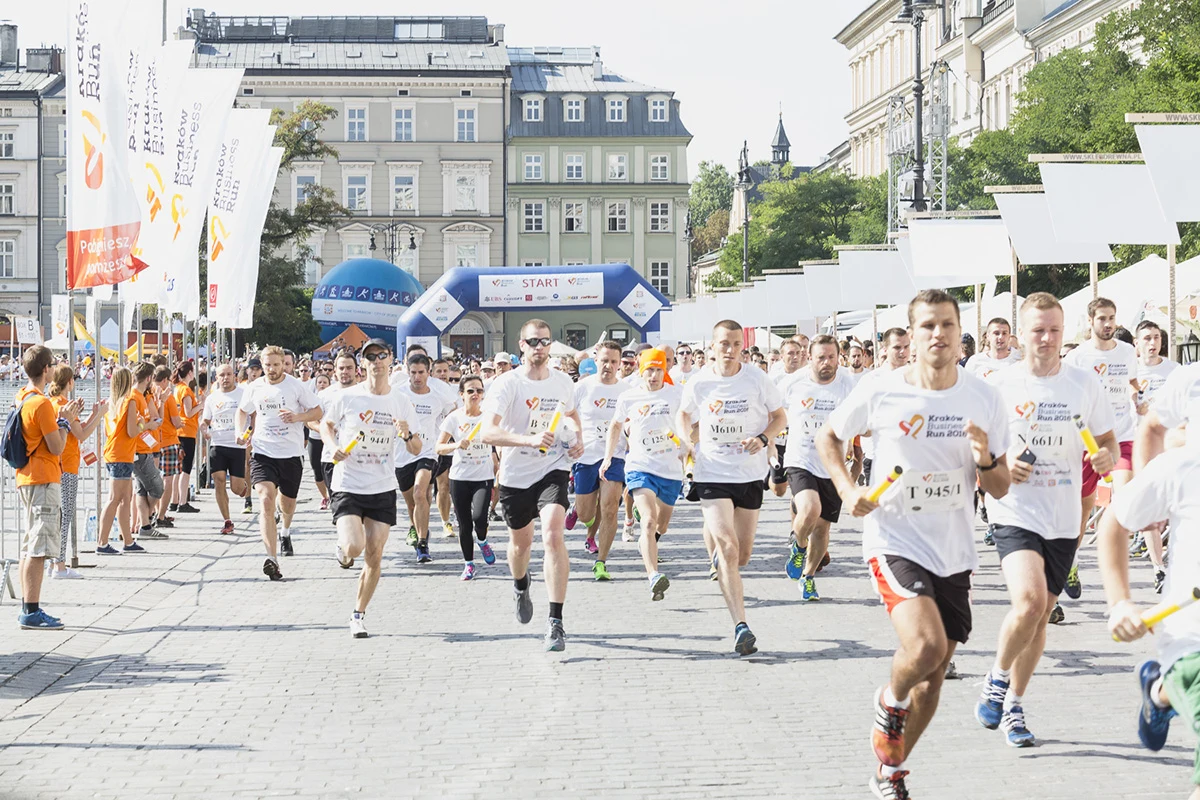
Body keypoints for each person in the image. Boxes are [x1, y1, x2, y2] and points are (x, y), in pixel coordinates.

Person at [818, 289, 1010, 799]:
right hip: (894, 538)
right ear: (912, 334)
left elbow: (1000, 487)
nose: (938, 334)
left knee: (936, 673)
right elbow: (828, 438)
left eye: (947, 324)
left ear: (960, 332)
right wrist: (847, 490)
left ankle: (891, 769)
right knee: (925, 647)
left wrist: (985, 458)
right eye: (928, 325)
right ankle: (891, 697)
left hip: (954, 548)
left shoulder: (984, 396)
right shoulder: (882, 389)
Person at [975, 292, 1117, 748]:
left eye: (1055, 330)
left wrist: (1107, 456)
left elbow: (1108, 439)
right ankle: (996, 680)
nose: (1047, 338)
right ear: (1022, 334)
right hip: (1014, 508)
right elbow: (976, 449)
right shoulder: (999, 385)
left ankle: (1014, 705)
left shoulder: (1083, 383)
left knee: (1038, 619)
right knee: (1031, 602)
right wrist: (1001, 464)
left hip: (1064, 514)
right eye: (1038, 330)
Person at [678, 319, 787, 656]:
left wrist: (763, 439)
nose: (730, 350)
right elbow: (683, 415)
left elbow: (780, 417)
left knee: (743, 554)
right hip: (711, 472)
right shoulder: (699, 382)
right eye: (724, 343)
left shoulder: (757, 378)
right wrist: (686, 441)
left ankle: (722, 558)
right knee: (728, 547)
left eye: (736, 344)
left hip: (749, 474)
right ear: (712, 346)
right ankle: (741, 625)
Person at [1098, 442, 1200, 798]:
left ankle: (1160, 692)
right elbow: (1114, 521)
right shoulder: (1183, 465)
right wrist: (1120, 604)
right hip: (1193, 642)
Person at [481, 319, 585, 652]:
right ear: (521, 345)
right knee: (520, 547)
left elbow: (572, 416)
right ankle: (520, 584)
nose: (540, 347)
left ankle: (555, 621)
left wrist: (578, 439)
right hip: (516, 475)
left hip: (553, 467)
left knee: (553, 534)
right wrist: (528, 440)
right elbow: (487, 432)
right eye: (533, 342)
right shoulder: (507, 384)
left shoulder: (563, 382)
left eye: (545, 341)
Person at [322, 339, 419, 638]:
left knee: (374, 555)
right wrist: (333, 446)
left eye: (381, 356)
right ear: (363, 364)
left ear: (391, 360)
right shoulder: (348, 396)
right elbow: (326, 424)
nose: (376, 361)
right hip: (349, 484)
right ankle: (343, 548)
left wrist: (407, 434)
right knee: (354, 546)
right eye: (370, 357)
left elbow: (416, 448)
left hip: (382, 486)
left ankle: (358, 614)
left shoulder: (401, 401)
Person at [1063, 297, 1141, 603]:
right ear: (1090, 321)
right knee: (1083, 511)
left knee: (1123, 497)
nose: (1108, 324)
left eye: (1112, 318)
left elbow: (1132, 382)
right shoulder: (1078, 357)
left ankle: (1115, 573)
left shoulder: (1127, 352)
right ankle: (1070, 561)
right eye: (1102, 319)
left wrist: (1138, 398)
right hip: (1088, 441)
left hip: (1121, 436)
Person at [235, 345, 323, 580]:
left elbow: (317, 411)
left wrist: (298, 417)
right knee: (266, 501)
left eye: (276, 365)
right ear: (261, 365)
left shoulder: (295, 386)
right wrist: (239, 431)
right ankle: (271, 558)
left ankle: (285, 530)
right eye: (268, 365)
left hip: (291, 454)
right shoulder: (254, 387)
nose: (272, 369)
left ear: (284, 364)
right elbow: (242, 411)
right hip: (263, 452)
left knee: (287, 504)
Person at [604, 348, 684, 601]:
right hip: (640, 466)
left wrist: (689, 443)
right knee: (648, 521)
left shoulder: (677, 394)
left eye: (659, 370)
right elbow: (616, 425)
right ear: (641, 371)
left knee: (662, 526)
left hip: (670, 469)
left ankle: (645, 539)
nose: (654, 376)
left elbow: (693, 422)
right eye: (649, 370)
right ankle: (653, 576)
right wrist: (608, 457)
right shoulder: (629, 396)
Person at [782, 334, 855, 601]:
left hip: (832, 463)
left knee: (823, 528)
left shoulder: (848, 385)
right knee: (811, 508)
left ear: (838, 358)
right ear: (809, 357)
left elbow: (861, 418)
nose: (827, 362)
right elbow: (773, 412)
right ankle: (799, 546)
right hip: (801, 459)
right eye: (821, 357)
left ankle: (808, 577)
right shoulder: (793, 384)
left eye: (831, 357)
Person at [14, 346, 80, 629]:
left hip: (28, 476)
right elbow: (57, 446)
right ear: (45, 369)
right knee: (38, 548)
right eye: (52, 364)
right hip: (42, 477)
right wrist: (65, 421)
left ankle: (28, 606)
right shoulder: (40, 404)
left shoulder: (23, 396)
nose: (54, 368)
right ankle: (31, 610)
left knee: (30, 544)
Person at [564, 341, 630, 578]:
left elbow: (631, 421)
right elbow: (567, 415)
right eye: (604, 361)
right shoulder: (582, 387)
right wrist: (573, 437)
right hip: (586, 455)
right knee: (586, 515)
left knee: (610, 507)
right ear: (596, 361)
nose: (608, 366)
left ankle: (601, 561)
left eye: (613, 362)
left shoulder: (626, 391)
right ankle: (577, 509)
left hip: (614, 456)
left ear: (619, 364)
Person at [392, 353, 458, 563]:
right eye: (413, 373)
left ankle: (422, 543)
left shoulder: (437, 397)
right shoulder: (398, 394)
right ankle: (417, 527)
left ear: (429, 373)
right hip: (402, 453)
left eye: (421, 372)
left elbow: (454, 413)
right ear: (408, 372)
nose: (417, 377)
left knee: (421, 492)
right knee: (412, 503)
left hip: (428, 451)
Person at [45, 365, 105, 580]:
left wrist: (92, 414)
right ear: (69, 382)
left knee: (57, 517)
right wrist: (99, 415)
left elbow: (75, 429)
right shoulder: (63, 404)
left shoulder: (54, 403)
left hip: (58, 465)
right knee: (64, 516)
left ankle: (54, 562)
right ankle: (59, 565)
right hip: (67, 465)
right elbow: (81, 434)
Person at [436, 375, 498, 580]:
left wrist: (498, 460)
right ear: (461, 394)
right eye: (470, 391)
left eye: (479, 391)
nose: (475, 394)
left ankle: (482, 540)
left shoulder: (488, 417)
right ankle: (469, 564)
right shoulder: (454, 418)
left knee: (479, 518)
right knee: (464, 524)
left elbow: (499, 438)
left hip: (483, 476)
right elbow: (439, 447)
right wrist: (456, 445)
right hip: (460, 477)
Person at [1133, 319, 1179, 590]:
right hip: (1142, 449)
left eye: (1156, 337)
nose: (1152, 343)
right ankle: (1158, 567)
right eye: (1147, 338)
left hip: (1172, 447)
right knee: (1149, 508)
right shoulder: (1129, 373)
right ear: (1136, 343)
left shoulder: (1175, 371)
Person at [97, 367, 144, 556]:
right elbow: (132, 431)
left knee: (124, 498)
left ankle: (128, 540)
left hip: (115, 453)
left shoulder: (111, 403)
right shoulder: (129, 401)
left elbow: (110, 430)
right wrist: (142, 423)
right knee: (116, 499)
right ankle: (102, 542)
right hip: (122, 454)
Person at [201, 363, 247, 535]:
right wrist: (204, 429)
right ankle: (227, 521)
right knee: (219, 480)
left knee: (236, 488)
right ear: (217, 378)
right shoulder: (212, 398)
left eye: (228, 374)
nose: (225, 378)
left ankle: (243, 487)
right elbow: (205, 421)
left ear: (234, 376)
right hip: (217, 444)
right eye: (222, 375)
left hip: (236, 445)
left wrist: (249, 434)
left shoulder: (243, 394)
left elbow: (253, 415)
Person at [129, 363, 166, 542]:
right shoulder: (134, 397)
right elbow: (134, 426)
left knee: (142, 490)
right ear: (149, 378)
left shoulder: (141, 396)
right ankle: (145, 520)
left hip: (145, 448)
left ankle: (145, 525)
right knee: (157, 487)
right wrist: (150, 425)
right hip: (139, 450)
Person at [768, 339, 806, 501]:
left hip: (801, 438)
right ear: (782, 356)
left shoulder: (809, 376)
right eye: (790, 353)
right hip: (779, 437)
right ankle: (768, 478)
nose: (795, 357)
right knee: (779, 489)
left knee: (799, 486)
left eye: (798, 353)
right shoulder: (774, 380)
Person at [152, 366, 185, 531]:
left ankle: (156, 512)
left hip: (153, 442)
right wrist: (182, 422)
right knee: (168, 480)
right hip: (169, 441)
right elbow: (176, 421)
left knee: (154, 480)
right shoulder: (168, 398)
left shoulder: (150, 394)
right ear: (165, 380)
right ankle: (161, 515)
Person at [171, 361, 201, 514]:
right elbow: (188, 412)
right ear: (189, 372)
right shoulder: (186, 390)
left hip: (180, 431)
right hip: (187, 431)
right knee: (186, 468)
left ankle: (175, 500)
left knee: (179, 468)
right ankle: (182, 501)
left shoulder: (178, 388)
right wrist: (201, 405)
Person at [307, 372, 332, 510]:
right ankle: (325, 497)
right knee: (317, 470)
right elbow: (308, 420)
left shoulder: (333, 397)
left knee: (328, 468)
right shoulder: (312, 399)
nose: (322, 385)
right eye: (319, 382)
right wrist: (320, 429)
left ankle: (333, 494)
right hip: (315, 438)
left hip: (330, 439)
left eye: (325, 382)